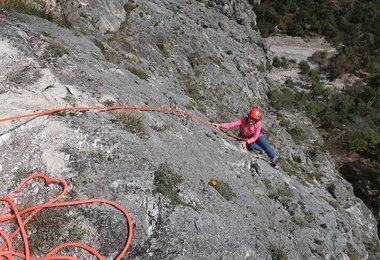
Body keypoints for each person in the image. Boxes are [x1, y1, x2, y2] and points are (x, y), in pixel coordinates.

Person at [211, 107, 278, 169]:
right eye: (251, 118)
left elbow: (254, 137)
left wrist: (246, 142)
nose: (251, 120)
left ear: (257, 120)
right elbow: (231, 124)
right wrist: (219, 125)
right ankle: (260, 150)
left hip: (257, 137)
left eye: (254, 119)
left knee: (269, 150)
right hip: (244, 137)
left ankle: (273, 161)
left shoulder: (258, 124)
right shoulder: (243, 120)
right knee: (250, 147)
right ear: (248, 116)